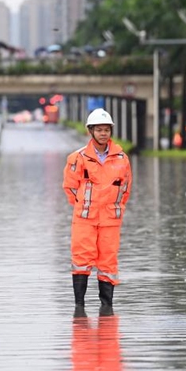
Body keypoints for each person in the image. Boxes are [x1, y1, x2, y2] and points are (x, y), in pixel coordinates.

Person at [62, 108, 132, 309]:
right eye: (99, 130)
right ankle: (79, 308)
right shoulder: (78, 158)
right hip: (85, 219)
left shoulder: (122, 159)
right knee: (81, 261)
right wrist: (84, 206)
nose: (103, 133)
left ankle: (107, 307)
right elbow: (70, 187)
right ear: (90, 131)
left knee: (108, 263)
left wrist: (113, 208)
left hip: (110, 220)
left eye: (106, 130)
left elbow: (125, 189)